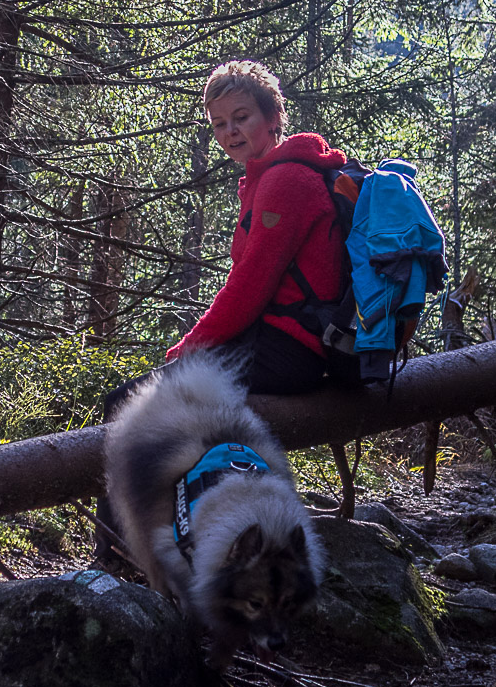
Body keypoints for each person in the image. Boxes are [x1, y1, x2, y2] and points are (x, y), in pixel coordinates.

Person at [92, 60, 348, 565]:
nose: (230, 132)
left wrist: (190, 347)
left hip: (290, 349)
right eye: (219, 124)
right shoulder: (269, 177)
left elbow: (248, 290)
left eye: (241, 117)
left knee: (129, 405)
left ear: (273, 117)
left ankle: (120, 557)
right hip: (281, 343)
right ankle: (160, 547)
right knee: (142, 403)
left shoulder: (286, 181)